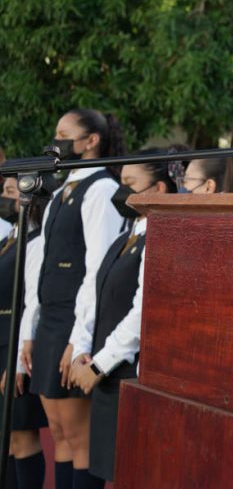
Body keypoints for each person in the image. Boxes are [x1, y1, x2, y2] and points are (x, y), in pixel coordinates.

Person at [20, 109, 125, 489]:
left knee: (79, 439)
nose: (56, 140)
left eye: (64, 133)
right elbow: (42, 269)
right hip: (49, 322)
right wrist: (29, 331)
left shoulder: (101, 189)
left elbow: (97, 270)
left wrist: (79, 340)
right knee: (59, 435)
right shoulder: (60, 193)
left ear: (91, 140)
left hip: (73, 324)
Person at [68, 150, 184, 485]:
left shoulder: (161, 235)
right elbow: (97, 293)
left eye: (131, 184)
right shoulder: (128, 232)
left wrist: (98, 365)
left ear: (159, 189)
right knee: (108, 472)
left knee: (126, 474)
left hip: (129, 375)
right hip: (107, 374)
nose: (122, 192)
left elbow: (142, 310)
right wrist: (81, 349)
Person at [0, 178, 48, 489]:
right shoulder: (11, 236)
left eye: (11, 192)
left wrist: (16, 360)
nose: (4, 198)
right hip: (1, 339)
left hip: (15, 344)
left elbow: (33, 303)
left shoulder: (36, 240)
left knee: (20, 435)